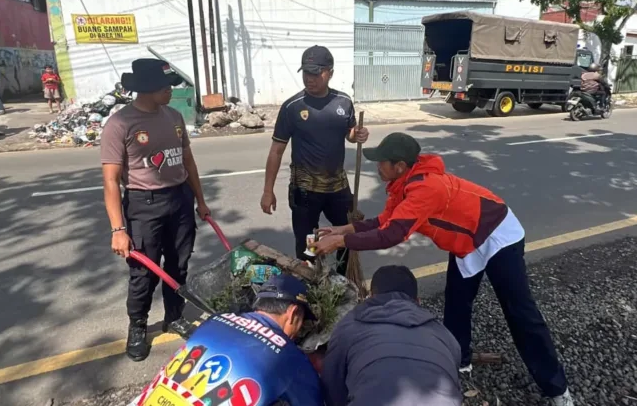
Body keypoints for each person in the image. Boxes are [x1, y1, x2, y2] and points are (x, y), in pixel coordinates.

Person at [313, 133, 574, 406]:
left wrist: (341, 241)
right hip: (466, 241)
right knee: (457, 302)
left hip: (498, 234)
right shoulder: (401, 184)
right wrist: (345, 229)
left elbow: (393, 234)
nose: (377, 167)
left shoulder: (426, 188)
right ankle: (458, 361)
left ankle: (557, 389)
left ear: (399, 165)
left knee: (520, 312)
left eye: (381, 162)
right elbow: (387, 220)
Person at [101, 58, 212, 362]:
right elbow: (111, 181)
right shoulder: (120, 124)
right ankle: (137, 326)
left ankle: (174, 317)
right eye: (166, 87)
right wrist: (118, 229)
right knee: (144, 274)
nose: (171, 92)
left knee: (179, 265)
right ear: (148, 89)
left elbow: (188, 162)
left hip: (180, 200)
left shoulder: (174, 117)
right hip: (143, 204)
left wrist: (200, 201)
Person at [128, 274, 323, 406]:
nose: (298, 331)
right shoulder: (290, 357)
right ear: (293, 312)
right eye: (302, 322)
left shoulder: (215, 321)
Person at [260, 45, 369, 273]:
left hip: (337, 187)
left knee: (347, 234)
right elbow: (276, 151)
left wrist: (357, 134)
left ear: (329, 72)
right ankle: (313, 284)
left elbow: (349, 133)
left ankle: (343, 282)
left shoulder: (343, 102)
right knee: (308, 245)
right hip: (305, 190)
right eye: (306, 73)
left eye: (315, 73)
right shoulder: (292, 107)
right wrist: (268, 190)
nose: (309, 79)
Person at [322, 265, 461, 406]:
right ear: (418, 301)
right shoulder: (443, 334)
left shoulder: (349, 327)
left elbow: (333, 385)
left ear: (370, 297)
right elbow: (454, 375)